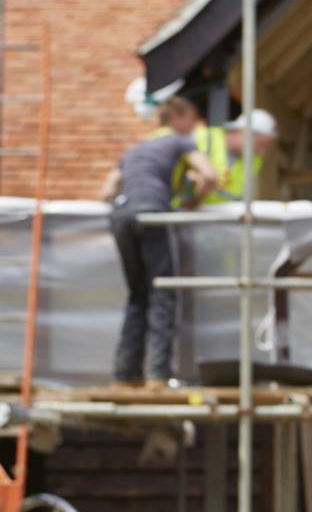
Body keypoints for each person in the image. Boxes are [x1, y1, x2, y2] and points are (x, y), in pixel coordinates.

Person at [98, 96, 220, 386]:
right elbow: (210, 175)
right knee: (162, 293)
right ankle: (157, 376)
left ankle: (125, 375)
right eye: (191, 120)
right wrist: (194, 201)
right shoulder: (179, 142)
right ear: (177, 119)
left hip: (122, 216)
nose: (193, 127)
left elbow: (106, 192)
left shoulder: (135, 150)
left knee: (137, 295)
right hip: (151, 214)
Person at [167, 108, 279, 208]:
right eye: (261, 144)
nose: (262, 152)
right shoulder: (201, 137)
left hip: (216, 222)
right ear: (242, 132)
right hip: (180, 211)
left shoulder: (254, 160)